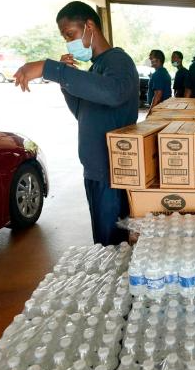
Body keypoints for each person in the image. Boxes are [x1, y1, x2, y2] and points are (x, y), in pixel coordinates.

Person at [13, 1, 139, 246]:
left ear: (90, 25)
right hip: (95, 171)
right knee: (103, 243)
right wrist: (66, 81)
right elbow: (82, 112)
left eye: (70, 34)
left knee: (112, 246)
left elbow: (113, 93)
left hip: (111, 173)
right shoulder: (94, 69)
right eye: (64, 37)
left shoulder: (118, 61)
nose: (68, 42)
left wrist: (52, 69)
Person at [147, 49, 171, 114]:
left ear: (158, 60)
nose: (149, 59)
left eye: (151, 57)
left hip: (158, 110)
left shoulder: (158, 74)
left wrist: (150, 113)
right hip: (163, 108)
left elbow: (157, 96)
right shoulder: (162, 72)